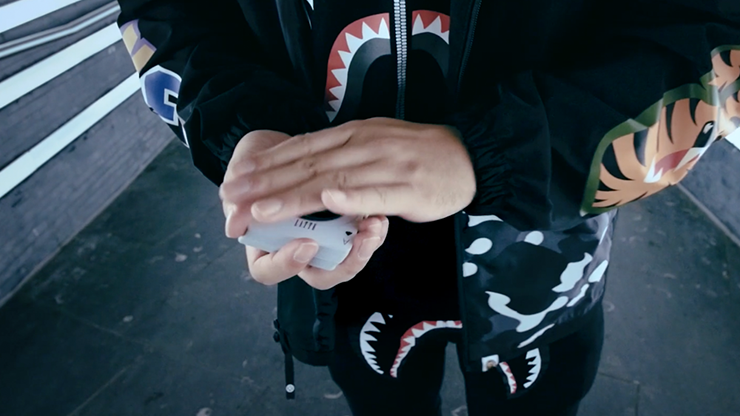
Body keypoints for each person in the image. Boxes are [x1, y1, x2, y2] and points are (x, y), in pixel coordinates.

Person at [116, 0, 740, 414]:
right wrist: (244, 127)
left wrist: (509, 153)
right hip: (339, 262)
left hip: (543, 266)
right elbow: (165, 12)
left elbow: (717, 31)